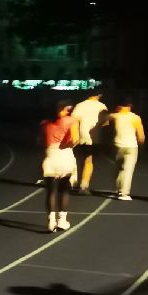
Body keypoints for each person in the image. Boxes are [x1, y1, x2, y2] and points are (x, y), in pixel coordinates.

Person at [40, 101, 79, 232]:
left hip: (50, 155)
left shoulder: (45, 123)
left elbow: (40, 141)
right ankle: (62, 220)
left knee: (51, 191)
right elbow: (75, 139)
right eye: (66, 109)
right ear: (61, 110)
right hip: (64, 155)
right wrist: (66, 143)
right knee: (64, 189)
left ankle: (51, 221)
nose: (68, 111)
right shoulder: (71, 120)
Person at [72, 90, 108, 194]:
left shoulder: (79, 105)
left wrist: (75, 136)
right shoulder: (102, 106)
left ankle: (73, 181)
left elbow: (74, 121)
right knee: (88, 161)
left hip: (80, 136)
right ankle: (84, 186)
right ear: (99, 95)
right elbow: (106, 123)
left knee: (77, 159)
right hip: (93, 138)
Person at [110, 99, 145, 200]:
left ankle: (118, 191)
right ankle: (124, 193)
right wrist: (141, 144)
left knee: (118, 169)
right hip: (131, 146)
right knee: (128, 170)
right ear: (130, 105)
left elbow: (106, 119)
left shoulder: (115, 116)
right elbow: (141, 136)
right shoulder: (135, 118)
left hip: (118, 146)